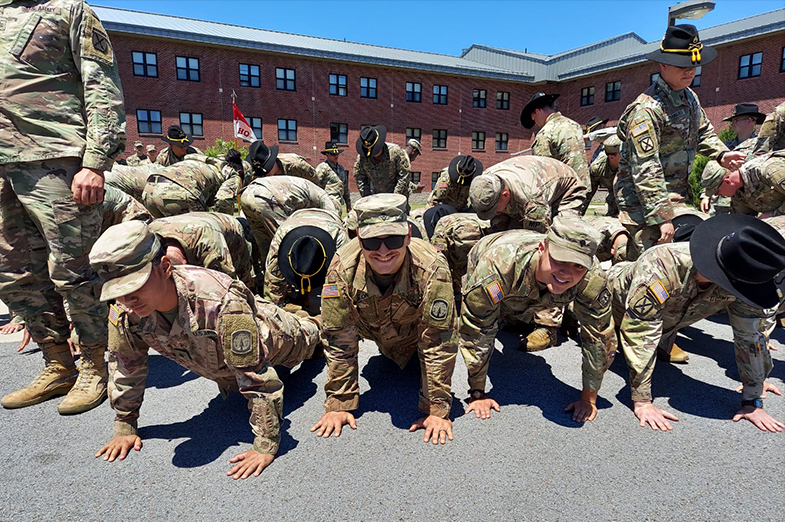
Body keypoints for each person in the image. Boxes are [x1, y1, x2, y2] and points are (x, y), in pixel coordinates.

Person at [90, 221, 322, 479]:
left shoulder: (222, 302)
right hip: (226, 366)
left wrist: (266, 445)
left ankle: (315, 318)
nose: (127, 298)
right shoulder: (125, 311)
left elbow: (257, 379)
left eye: (136, 285)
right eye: (118, 291)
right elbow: (126, 365)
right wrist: (125, 424)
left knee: (315, 338)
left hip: (277, 335)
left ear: (165, 267)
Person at [0, 0, 126, 414]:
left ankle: (95, 365)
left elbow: (101, 83)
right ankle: (57, 363)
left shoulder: (69, 10)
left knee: (74, 270)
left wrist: (95, 160)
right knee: (13, 272)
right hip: (3, 163)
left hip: (56, 156)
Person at [607, 214, 785, 432]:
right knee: (602, 342)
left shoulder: (744, 282)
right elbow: (640, 329)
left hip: (667, 318)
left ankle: (664, 341)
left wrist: (753, 397)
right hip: (611, 301)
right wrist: (642, 401)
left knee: (658, 339)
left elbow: (750, 338)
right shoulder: (661, 265)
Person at [311, 194, 458, 444]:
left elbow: (438, 341)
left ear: (408, 237)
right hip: (374, 330)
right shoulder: (341, 268)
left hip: (415, 336)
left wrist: (436, 409)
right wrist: (339, 403)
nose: (383, 251)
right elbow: (339, 337)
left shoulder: (432, 268)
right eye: (371, 242)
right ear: (359, 239)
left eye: (393, 239)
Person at [457, 217, 616, 422]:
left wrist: (589, 398)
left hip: (533, 287)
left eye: (578, 266)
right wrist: (477, 393)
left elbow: (599, 336)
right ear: (543, 248)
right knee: (492, 317)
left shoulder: (591, 278)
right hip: (493, 253)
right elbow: (476, 328)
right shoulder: (496, 267)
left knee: (522, 312)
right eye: (559, 260)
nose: (567, 273)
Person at [614, 24, 745, 254]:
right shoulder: (646, 109)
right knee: (647, 266)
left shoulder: (689, 97)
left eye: (694, 65)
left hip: (677, 200)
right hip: (644, 207)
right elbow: (646, 167)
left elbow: (703, 132)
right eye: (683, 65)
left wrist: (722, 154)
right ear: (663, 65)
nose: (691, 71)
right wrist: (662, 217)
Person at [239, 175, 339, 273]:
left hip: (247, 195)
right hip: (266, 199)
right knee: (285, 243)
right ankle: (286, 279)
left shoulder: (310, 189)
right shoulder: (325, 198)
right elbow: (332, 222)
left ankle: (265, 277)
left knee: (264, 244)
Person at [468, 155, 586, 234]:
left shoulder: (533, 199)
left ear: (505, 195)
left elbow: (535, 238)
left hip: (566, 188)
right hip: (531, 180)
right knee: (505, 231)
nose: (493, 212)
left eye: (493, 209)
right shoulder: (486, 181)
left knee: (564, 234)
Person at [263, 208, 349, 315]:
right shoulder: (282, 237)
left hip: (329, 217)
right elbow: (272, 282)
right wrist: (274, 315)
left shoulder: (338, 236)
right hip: (296, 217)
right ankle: (303, 298)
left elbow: (346, 279)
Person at [149, 212, 257, 289]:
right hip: (190, 222)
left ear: (186, 263)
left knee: (243, 277)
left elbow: (227, 283)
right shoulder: (148, 237)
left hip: (231, 229)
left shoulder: (209, 245)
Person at [700, 103, 767, 215]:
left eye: (736, 120)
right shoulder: (724, 146)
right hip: (718, 204)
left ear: (750, 120)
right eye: (732, 121)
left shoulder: (760, 148)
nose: (732, 124)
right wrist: (706, 195)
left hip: (743, 206)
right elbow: (713, 172)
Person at [521, 92, 590, 188]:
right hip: (583, 186)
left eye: (534, 119)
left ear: (537, 111)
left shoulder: (545, 133)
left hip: (565, 192)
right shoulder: (575, 126)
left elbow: (544, 172)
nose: (535, 123)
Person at [141, 155, 244, 218]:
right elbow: (223, 200)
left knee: (163, 234)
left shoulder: (206, 162)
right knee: (201, 236)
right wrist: (226, 226)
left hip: (149, 189)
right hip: (176, 191)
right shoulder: (234, 175)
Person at [702, 151, 785, 216]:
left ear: (727, 182)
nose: (716, 195)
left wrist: (773, 215)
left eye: (717, 191)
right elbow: (743, 218)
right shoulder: (738, 193)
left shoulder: (766, 170)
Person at [354, 126, 412, 199]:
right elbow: (360, 177)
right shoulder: (362, 157)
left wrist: (394, 196)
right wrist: (367, 197)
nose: (373, 155)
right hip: (375, 197)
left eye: (375, 151)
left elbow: (404, 175)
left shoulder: (396, 152)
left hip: (397, 197)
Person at [587, 136, 621, 217]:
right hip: (614, 200)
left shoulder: (632, 163)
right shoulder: (597, 168)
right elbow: (587, 194)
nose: (626, 155)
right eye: (622, 153)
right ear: (612, 157)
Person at [315, 141, 351, 211]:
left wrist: (348, 204)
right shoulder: (322, 168)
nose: (336, 156)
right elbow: (315, 186)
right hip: (327, 204)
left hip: (338, 204)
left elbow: (345, 188)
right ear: (327, 154)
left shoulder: (341, 168)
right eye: (333, 154)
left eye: (337, 153)